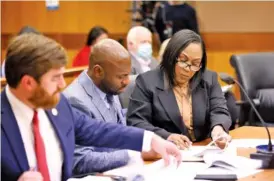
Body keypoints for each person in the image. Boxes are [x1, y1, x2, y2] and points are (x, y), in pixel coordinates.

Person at [1, 33, 182, 181]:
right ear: (28, 83)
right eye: (55, 78)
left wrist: (150, 139)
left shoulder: (58, 106)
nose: (62, 84)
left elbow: (98, 131)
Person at [127, 29, 232, 150]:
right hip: (165, 152)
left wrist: (218, 129)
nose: (188, 69)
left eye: (195, 63)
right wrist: (167, 136)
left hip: (203, 150)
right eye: (183, 60)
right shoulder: (147, 81)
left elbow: (219, 110)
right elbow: (137, 122)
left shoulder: (209, 78)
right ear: (171, 56)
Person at [63, 39, 133, 174]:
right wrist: (132, 154)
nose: (127, 82)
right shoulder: (74, 100)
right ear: (98, 71)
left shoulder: (108, 86)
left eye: (128, 75)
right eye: (121, 77)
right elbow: (80, 160)